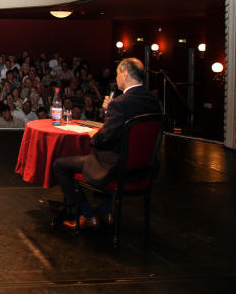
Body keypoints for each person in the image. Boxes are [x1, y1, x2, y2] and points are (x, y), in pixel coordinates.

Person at [52, 58, 161, 230]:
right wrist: (110, 111)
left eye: (117, 73)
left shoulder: (120, 103)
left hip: (115, 167)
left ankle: (86, 215)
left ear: (125, 74)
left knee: (60, 165)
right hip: (143, 168)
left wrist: (94, 134)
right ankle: (106, 211)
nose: (116, 78)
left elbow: (104, 140)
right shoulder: (154, 101)